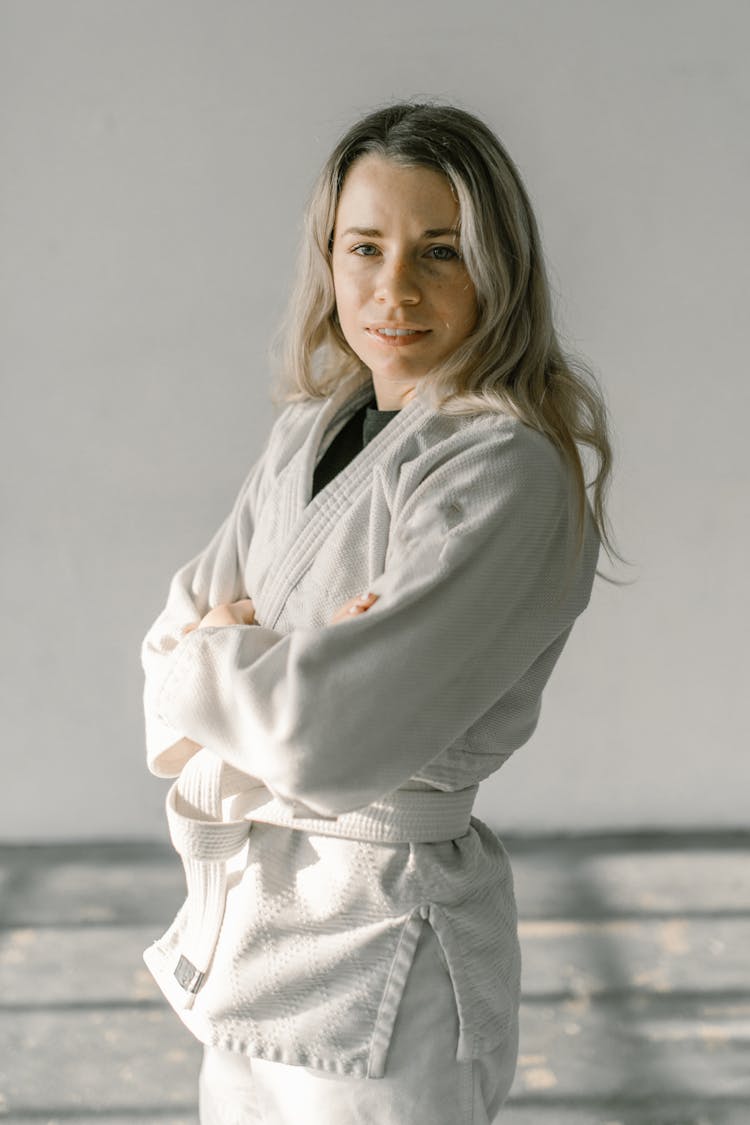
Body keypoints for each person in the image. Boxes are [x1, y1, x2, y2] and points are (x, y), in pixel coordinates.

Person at [140, 101, 615, 1124]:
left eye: (440, 252)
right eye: (366, 247)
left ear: (500, 268)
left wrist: (236, 648)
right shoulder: (308, 433)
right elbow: (166, 655)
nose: (393, 289)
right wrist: (264, 656)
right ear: (329, 256)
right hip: (255, 926)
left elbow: (327, 736)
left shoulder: (505, 470)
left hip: (390, 941)